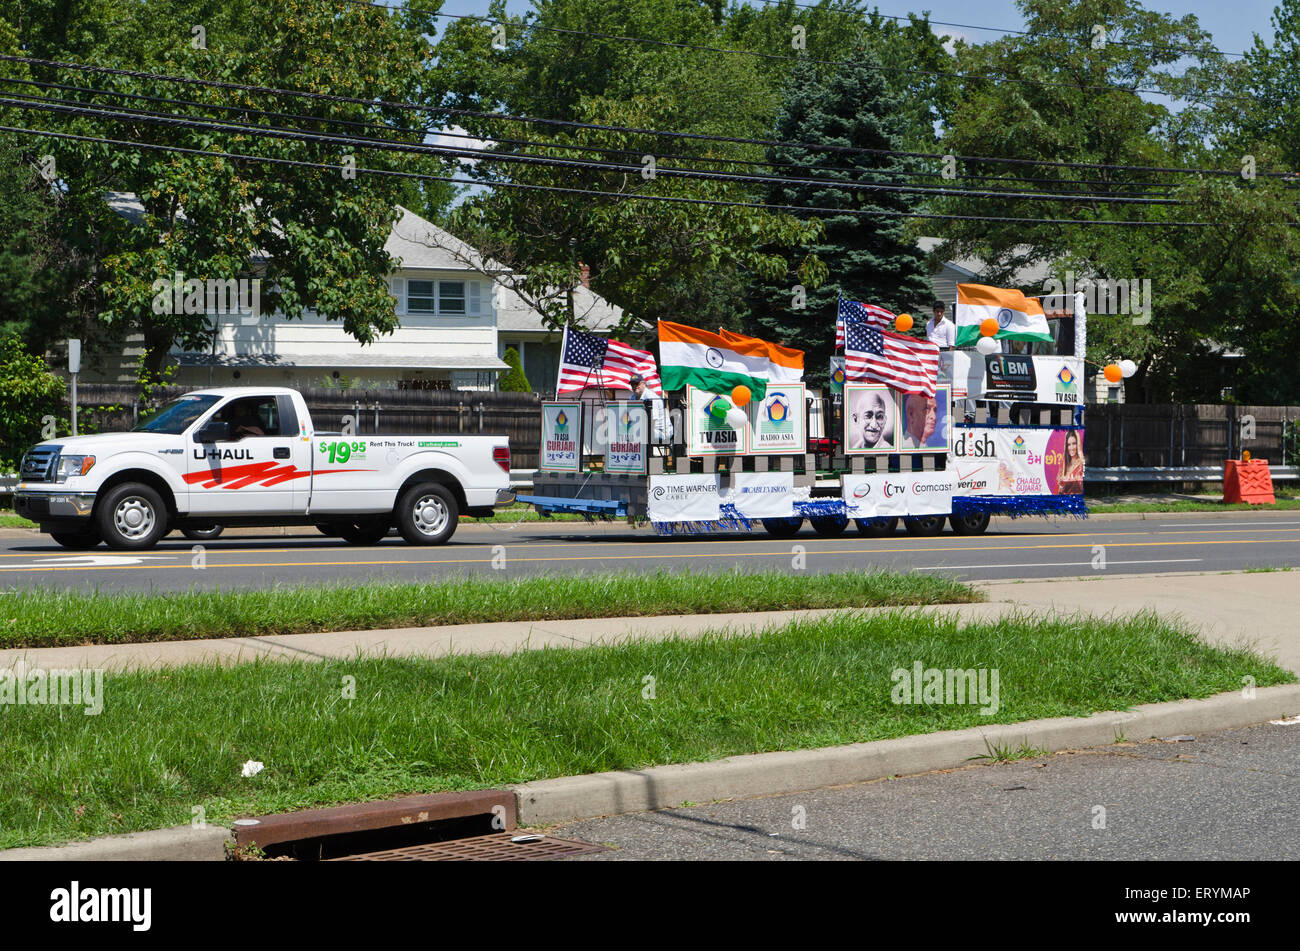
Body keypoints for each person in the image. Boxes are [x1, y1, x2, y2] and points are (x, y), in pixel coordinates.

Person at [629, 373, 672, 444]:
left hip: (662, 431)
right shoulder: (632, 398)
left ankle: (645, 454)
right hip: (646, 429)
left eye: (636, 384)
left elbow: (653, 421)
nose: (634, 386)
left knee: (638, 434)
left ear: (643, 384)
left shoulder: (650, 397)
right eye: (632, 384)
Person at [1057, 429, 1085, 494]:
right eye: (1069, 445)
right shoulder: (1064, 465)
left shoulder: (1080, 464)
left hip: (1075, 499)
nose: (1071, 447)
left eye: (1074, 444)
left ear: (1078, 444)